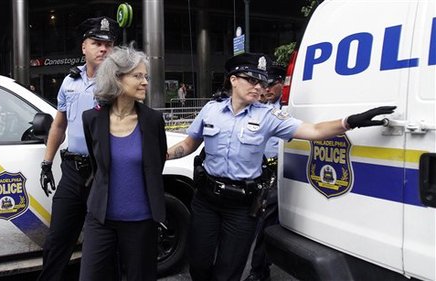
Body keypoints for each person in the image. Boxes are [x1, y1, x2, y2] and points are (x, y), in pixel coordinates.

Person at [166, 52, 396, 281]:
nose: (259, 87)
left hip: (241, 207)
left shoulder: (269, 116)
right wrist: (162, 155)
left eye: (262, 82)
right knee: (198, 264)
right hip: (206, 201)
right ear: (233, 80)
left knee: (228, 271)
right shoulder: (211, 110)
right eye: (251, 80)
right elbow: (188, 144)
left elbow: (314, 131)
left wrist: (350, 122)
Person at [38, 16, 119, 281]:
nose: (103, 49)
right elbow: (59, 126)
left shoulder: (120, 84)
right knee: (57, 240)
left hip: (105, 174)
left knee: (107, 245)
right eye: (97, 43)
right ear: (84, 46)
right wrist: (47, 163)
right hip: (72, 172)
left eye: (109, 44)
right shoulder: (69, 82)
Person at [80, 45, 167, 281]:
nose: (145, 82)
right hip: (101, 219)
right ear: (117, 78)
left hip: (141, 222)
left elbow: (155, 165)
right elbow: (98, 165)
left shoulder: (153, 120)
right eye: (137, 76)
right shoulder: (92, 118)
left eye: (145, 76)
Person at [243, 64, 285, 281]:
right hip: (259, 171)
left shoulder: (287, 108)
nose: (266, 89)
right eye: (263, 85)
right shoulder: (255, 106)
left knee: (266, 220)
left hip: (279, 171)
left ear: (281, 84)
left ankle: (258, 270)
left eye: (271, 84)